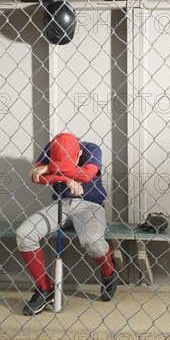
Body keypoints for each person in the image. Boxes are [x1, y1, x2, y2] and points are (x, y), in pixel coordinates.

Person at [16, 132, 117, 316]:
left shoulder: (91, 149)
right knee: (24, 234)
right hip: (60, 205)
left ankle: (109, 271)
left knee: (92, 242)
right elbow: (35, 176)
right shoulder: (52, 147)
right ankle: (45, 290)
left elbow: (86, 176)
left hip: (90, 205)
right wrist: (66, 178)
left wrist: (51, 170)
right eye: (55, 163)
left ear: (78, 155)